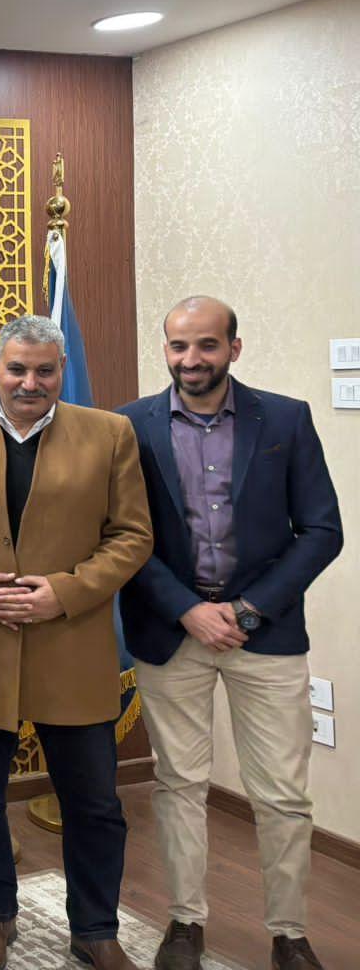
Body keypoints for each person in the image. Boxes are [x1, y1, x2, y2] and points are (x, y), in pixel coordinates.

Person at [118, 297, 342, 970]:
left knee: (282, 793)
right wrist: (187, 608)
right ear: (166, 349)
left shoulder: (286, 419)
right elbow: (122, 535)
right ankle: (185, 923)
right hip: (171, 632)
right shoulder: (128, 426)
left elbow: (322, 530)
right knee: (179, 783)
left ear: (233, 349)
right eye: (179, 346)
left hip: (264, 636)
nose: (191, 359)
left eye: (207, 345)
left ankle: (290, 934)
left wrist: (250, 610)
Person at [0, 314, 152, 970]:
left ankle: (96, 928)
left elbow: (132, 535)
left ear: (61, 371)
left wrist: (65, 592)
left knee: (94, 802)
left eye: (45, 371)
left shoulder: (110, 434)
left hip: (71, 644)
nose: (30, 382)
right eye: (17, 369)